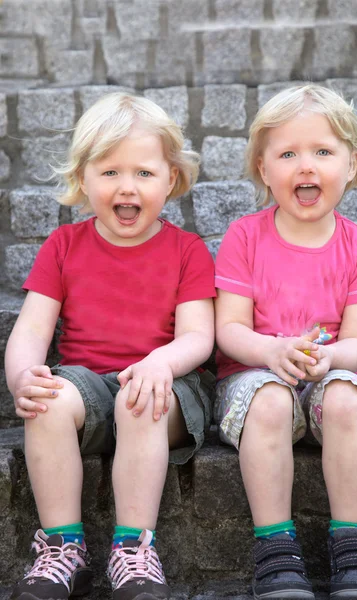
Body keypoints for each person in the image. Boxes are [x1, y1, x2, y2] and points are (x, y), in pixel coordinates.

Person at [5, 92, 216, 600]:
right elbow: (32, 331)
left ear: (171, 179)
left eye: (144, 173)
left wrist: (160, 362)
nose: (127, 187)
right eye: (110, 172)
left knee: (139, 397)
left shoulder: (187, 250)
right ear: (83, 179)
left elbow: (198, 336)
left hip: (167, 389)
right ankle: (62, 550)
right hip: (86, 386)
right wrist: (23, 377)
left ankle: (134, 550)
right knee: (48, 400)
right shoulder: (64, 246)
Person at [214, 84, 357, 600]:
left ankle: (354, 543)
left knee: (344, 397)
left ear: (352, 165)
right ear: (265, 170)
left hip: (327, 378)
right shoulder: (245, 237)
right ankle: (276, 549)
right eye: (288, 154)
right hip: (252, 380)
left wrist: (330, 358)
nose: (305, 166)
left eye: (322, 151)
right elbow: (228, 330)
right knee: (269, 400)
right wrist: (271, 351)